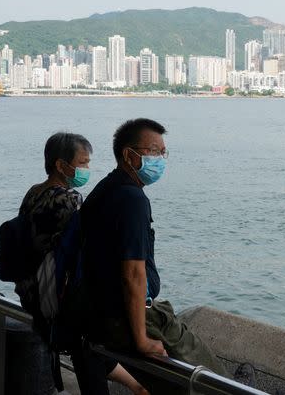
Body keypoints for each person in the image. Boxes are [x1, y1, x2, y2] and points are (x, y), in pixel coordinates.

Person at [81, 119, 229, 382]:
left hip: (98, 313)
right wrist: (141, 340)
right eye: (153, 151)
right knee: (214, 381)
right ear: (129, 155)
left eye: (163, 152)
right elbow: (133, 273)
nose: (160, 159)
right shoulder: (132, 199)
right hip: (127, 318)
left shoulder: (105, 189)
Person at [17, 131, 148, 395]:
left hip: (30, 287)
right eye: (83, 163)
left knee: (87, 347)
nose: (87, 169)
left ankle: (135, 385)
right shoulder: (69, 199)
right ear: (61, 165)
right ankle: (136, 385)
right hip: (55, 294)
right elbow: (80, 248)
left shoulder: (33, 192)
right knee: (90, 342)